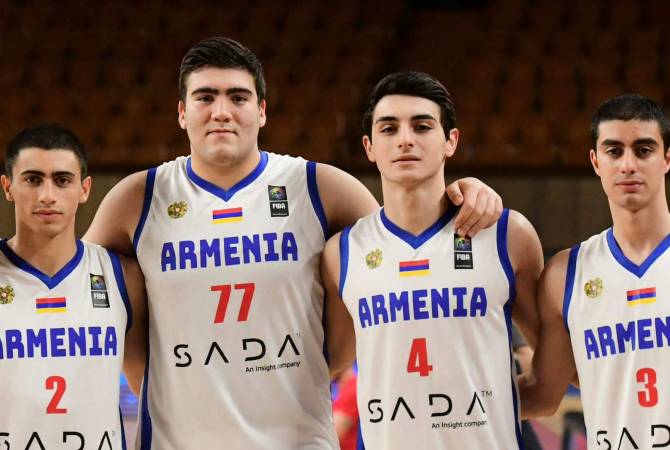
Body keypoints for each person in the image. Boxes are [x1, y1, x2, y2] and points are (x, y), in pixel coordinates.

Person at [84, 37, 504, 449]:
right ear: (182, 112)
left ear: (262, 111)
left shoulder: (318, 187)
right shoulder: (138, 198)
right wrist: (148, 371)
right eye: (205, 97)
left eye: (238, 97)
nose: (222, 112)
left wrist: (465, 191)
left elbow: (403, 243)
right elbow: (76, 288)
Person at [321, 71, 544, 449]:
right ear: (369, 146)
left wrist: (491, 404)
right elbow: (331, 362)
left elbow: (555, 370)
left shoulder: (509, 235)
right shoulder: (341, 254)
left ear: (450, 141)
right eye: (389, 129)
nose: (405, 139)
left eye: (422, 126)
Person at [520, 94, 670, 448]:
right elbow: (544, 395)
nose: (628, 165)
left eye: (644, 150)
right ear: (595, 161)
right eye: (614, 151)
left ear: (666, 158)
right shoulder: (565, 274)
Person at [0, 124, 146, 449]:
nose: (47, 195)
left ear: (85, 188)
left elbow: (148, 391)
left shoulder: (123, 276)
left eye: (62, 180)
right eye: (33, 179)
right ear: (8, 186)